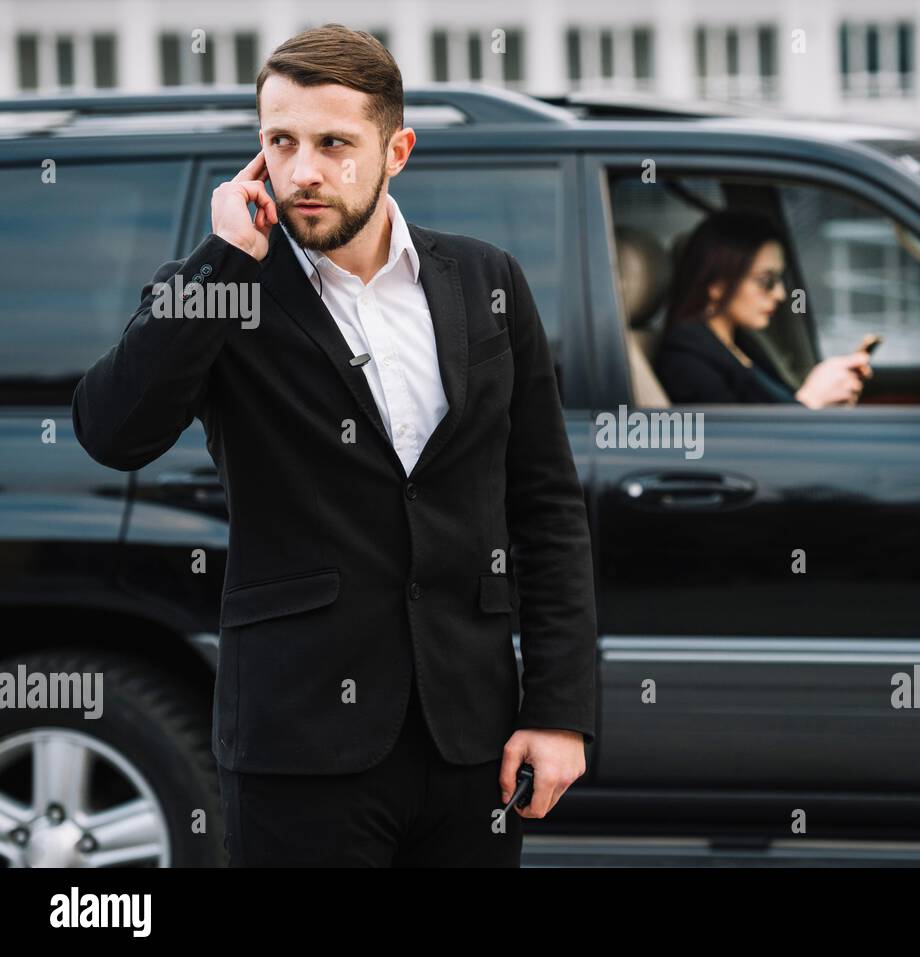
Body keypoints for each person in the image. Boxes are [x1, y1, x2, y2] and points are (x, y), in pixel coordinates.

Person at [71, 25, 596, 867]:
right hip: (299, 745)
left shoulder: (487, 280)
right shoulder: (225, 289)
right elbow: (111, 431)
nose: (303, 170)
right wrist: (219, 262)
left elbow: (546, 504)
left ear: (397, 151)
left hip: (469, 740)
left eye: (333, 144)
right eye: (280, 141)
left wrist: (559, 708)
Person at [654, 209, 877, 406]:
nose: (780, 294)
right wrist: (810, 402)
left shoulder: (742, 344)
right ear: (717, 285)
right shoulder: (685, 363)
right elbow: (735, 449)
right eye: (766, 281)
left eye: (779, 279)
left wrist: (828, 401)